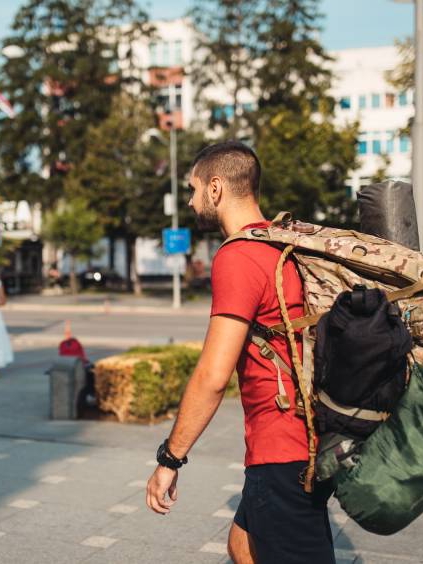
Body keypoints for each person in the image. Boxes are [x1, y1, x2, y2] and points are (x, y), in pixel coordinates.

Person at [145, 141, 335, 563]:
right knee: (242, 544)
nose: (192, 202)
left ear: (216, 188)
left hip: (284, 451)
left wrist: (170, 458)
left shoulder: (238, 257)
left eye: (194, 190)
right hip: (304, 440)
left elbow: (213, 376)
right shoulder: (280, 246)